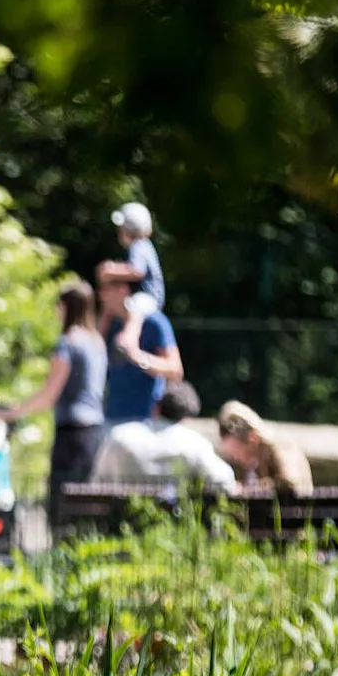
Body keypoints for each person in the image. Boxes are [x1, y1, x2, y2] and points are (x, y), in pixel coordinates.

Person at [0, 280, 109, 527]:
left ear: (66, 306)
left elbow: (50, 394)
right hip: (95, 432)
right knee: (85, 502)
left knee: (62, 504)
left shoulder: (68, 342)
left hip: (72, 434)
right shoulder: (97, 342)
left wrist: (12, 413)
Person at [93, 381, 236, 490]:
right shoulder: (195, 444)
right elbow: (224, 482)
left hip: (118, 524)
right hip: (172, 524)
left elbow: (96, 483)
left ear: (156, 408)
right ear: (188, 418)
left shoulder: (118, 436)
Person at [98, 260, 183, 425]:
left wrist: (138, 357)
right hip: (112, 417)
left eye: (106, 290)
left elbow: (175, 369)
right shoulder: (112, 324)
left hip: (146, 419)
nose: (101, 296)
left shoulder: (155, 322)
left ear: (123, 290)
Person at [215, 400, 315, 495]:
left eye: (236, 450)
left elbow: (290, 482)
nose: (234, 457)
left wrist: (245, 490)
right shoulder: (252, 461)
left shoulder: (280, 446)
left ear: (252, 437)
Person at [113, 202, 165, 310]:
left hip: (147, 300)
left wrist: (110, 270)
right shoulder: (142, 245)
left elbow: (137, 271)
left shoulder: (139, 246)